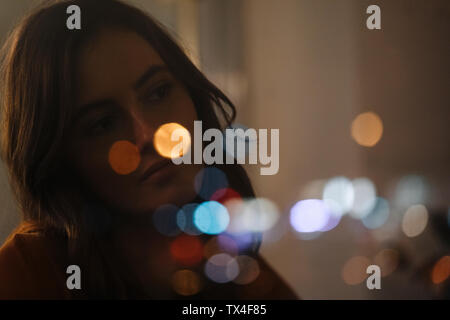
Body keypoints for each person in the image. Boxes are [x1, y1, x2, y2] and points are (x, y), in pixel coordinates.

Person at [0, 0, 297, 299]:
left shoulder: (231, 263)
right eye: (103, 124)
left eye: (158, 92)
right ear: (60, 157)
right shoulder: (26, 275)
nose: (152, 135)